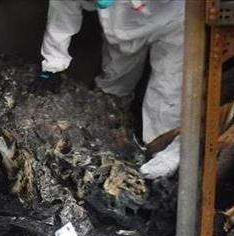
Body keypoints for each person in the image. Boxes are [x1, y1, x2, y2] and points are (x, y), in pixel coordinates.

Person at [33, 0, 185, 179]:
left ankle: (161, 152)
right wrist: (53, 63)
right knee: (113, 87)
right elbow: (63, 10)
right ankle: (110, 142)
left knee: (166, 90)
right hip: (120, 29)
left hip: (170, 22)